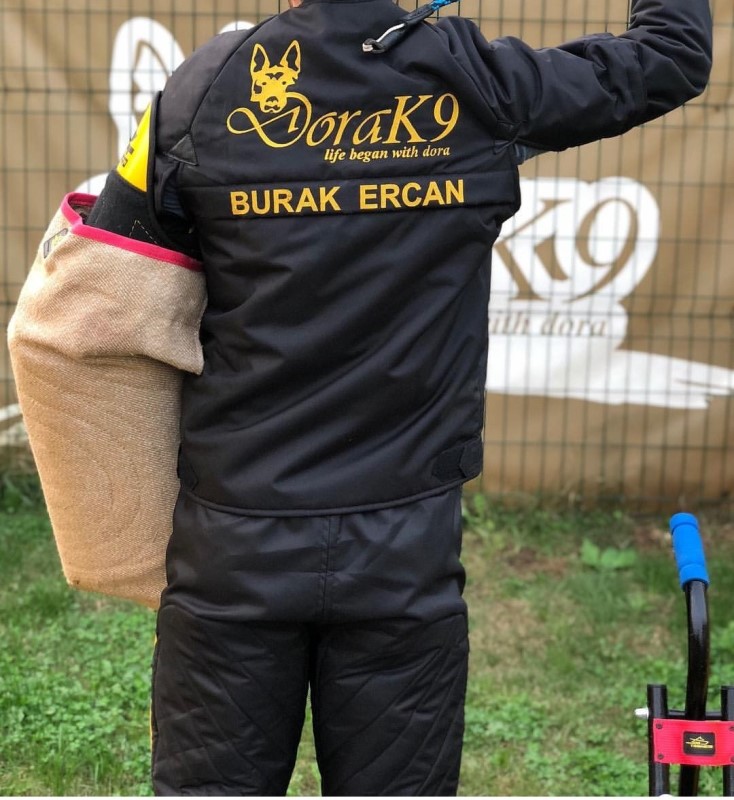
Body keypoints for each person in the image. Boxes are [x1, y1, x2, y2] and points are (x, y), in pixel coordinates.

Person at [14, 0, 712, 793]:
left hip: (235, 543)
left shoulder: (206, 87)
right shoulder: (476, 83)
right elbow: (671, 54)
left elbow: (111, 274)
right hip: (402, 548)